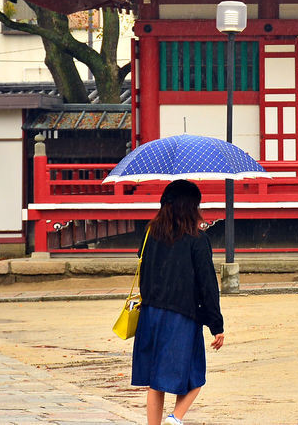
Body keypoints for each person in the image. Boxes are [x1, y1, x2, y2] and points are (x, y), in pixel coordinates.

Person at [131, 180, 225, 425]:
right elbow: (207, 284)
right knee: (194, 374)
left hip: (150, 315)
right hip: (181, 316)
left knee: (156, 380)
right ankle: (176, 417)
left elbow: (144, 268)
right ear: (192, 207)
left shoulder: (150, 234)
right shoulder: (197, 239)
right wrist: (216, 324)